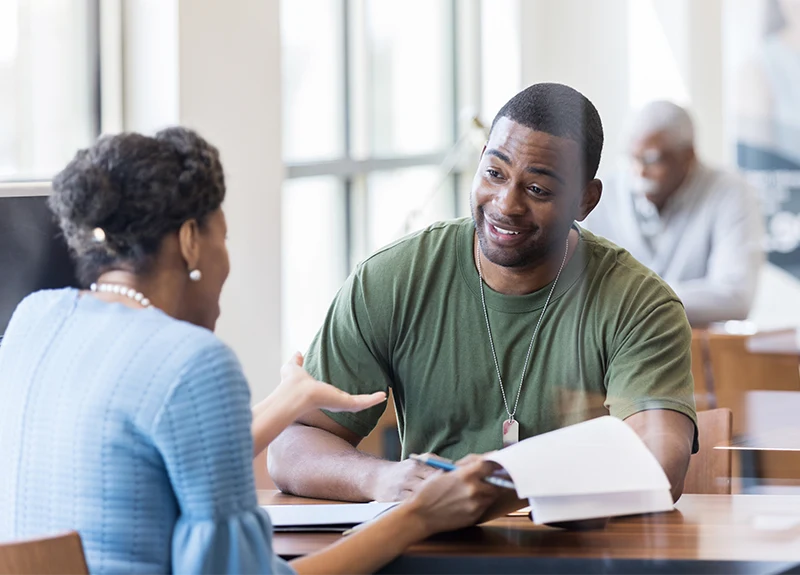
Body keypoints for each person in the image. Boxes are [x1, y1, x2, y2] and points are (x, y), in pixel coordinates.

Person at [0, 128, 503, 575]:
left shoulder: (33, 320)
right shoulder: (192, 359)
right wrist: (418, 516)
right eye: (224, 237)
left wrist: (284, 402)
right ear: (191, 241)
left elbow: (139, 458)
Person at [269, 83, 698, 507]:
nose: (506, 204)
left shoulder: (639, 303)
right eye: (494, 173)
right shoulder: (394, 278)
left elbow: (658, 465)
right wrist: (380, 478)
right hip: (425, 547)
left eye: (538, 190)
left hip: (578, 551)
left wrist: (501, 482)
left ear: (586, 200)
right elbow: (291, 445)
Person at [582, 101, 764, 327]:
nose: (639, 171)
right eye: (632, 158)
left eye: (652, 159)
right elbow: (580, 287)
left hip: (695, 353)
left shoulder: (731, 192)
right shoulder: (602, 195)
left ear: (688, 156)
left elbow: (736, 296)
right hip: (611, 350)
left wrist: (630, 297)